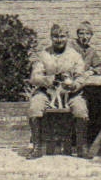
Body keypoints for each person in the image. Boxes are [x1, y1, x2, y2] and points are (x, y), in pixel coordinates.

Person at [27, 24, 84, 158]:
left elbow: (81, 76)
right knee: (35, 106)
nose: (59, 40)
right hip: (47, 91)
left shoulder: (75, 56)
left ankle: (82, 147)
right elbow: (34, 77)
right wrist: (50, 79)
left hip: (69, 93)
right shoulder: (44, 55)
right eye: (55, 37)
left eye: (62, 36)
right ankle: (37, 147)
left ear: (68, 37)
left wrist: (74, 85)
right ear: (51, 37)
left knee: (81, 108)